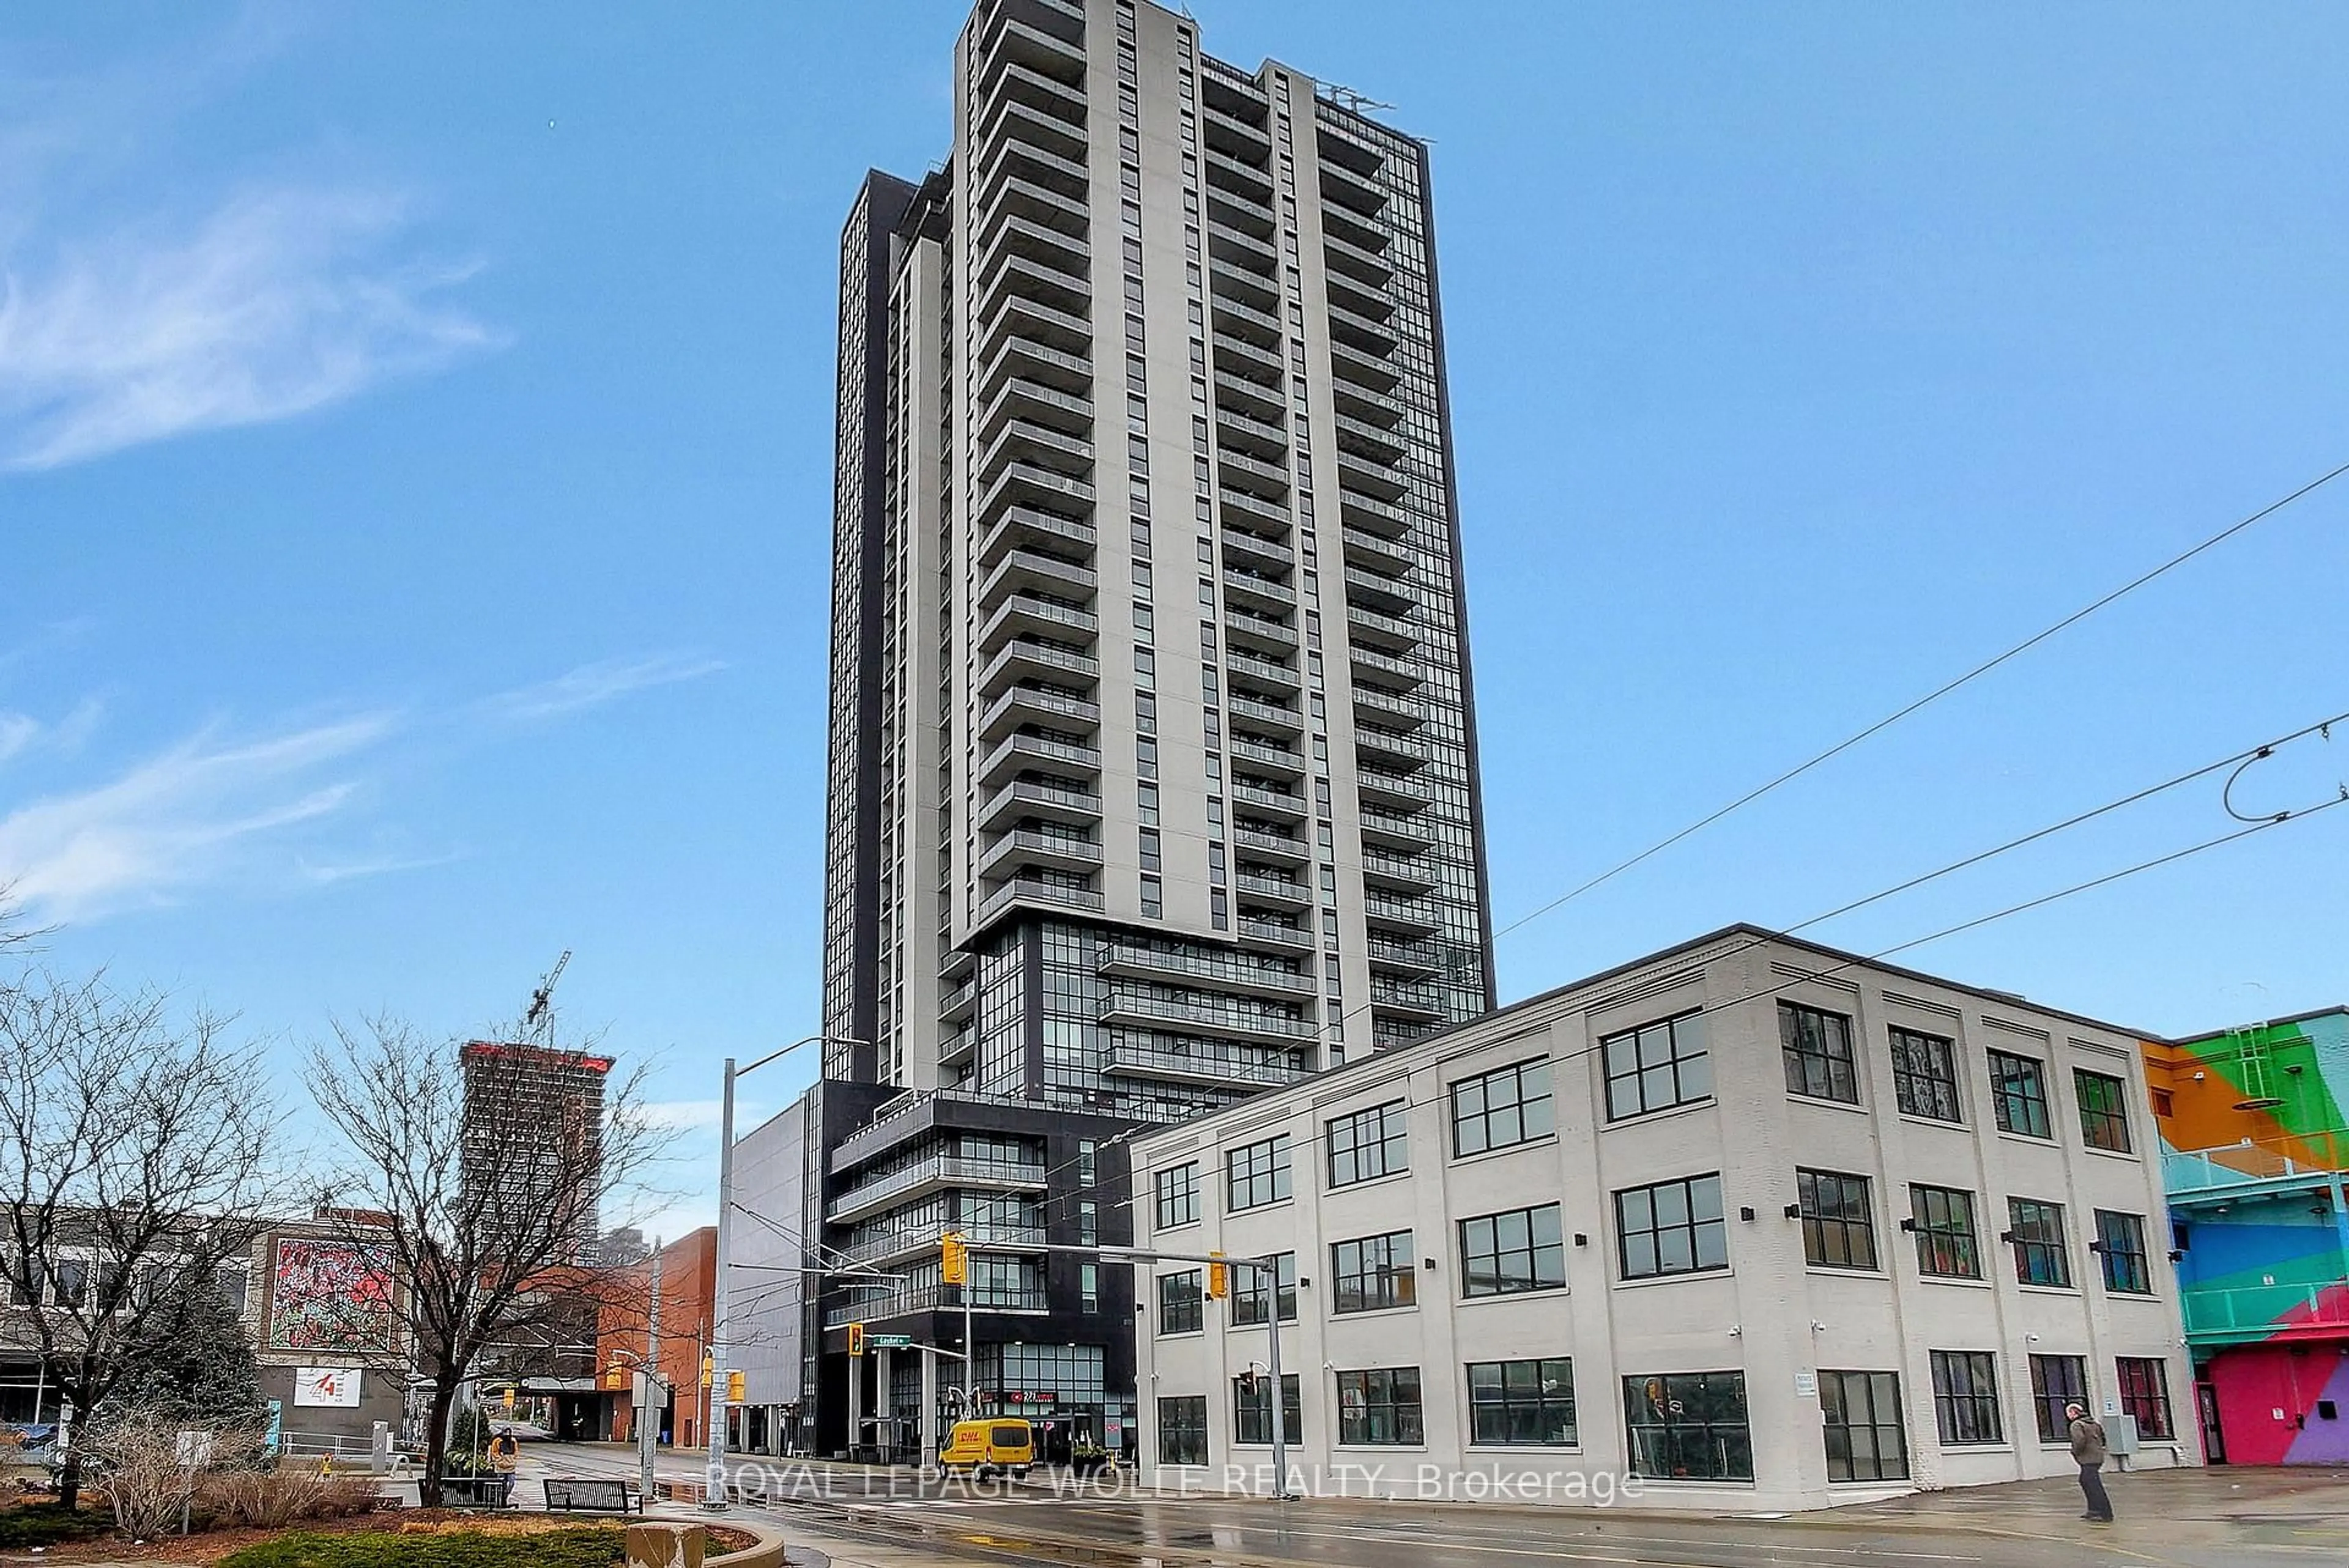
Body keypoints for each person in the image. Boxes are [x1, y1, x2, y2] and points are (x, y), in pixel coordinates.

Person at [2066, 1403, 2112, 1522]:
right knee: (2086, 1481)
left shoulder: (2077, 1425)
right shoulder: (2094, 1424)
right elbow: (2104, 1439)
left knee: (2093, 1486)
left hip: (2087, 1459)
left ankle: (2103, 1512)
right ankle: (2093, 1510)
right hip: (2097, 1458)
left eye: (2069, 1413)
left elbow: (2079, 1441)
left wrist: (2075, 1452)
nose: (2068, 1416)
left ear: (2074, 1413)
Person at [488, 1430, 521, 1506]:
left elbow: (516, 1452)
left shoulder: (513, 1441)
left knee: (511, 1483)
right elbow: (495, 1453)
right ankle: (501, 1499)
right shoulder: (497, 1441)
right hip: (501, 1467)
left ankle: (505, 1496)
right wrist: (500, 1461)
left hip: (511, 1467)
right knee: (501, 1484)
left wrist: (513, 1460)